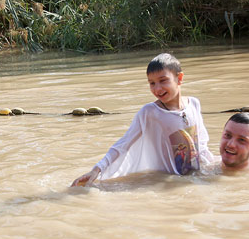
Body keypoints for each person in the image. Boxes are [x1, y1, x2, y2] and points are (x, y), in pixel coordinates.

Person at [71, 53, 215, 187]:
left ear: (180, 78)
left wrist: (213, 167)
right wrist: (97, 169)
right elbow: (123, 144)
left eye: (163, 81)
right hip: (169, 183)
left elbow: (201, 144)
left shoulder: (193, 104)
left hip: (195, 177)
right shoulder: (150, 112)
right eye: (152, 83)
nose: (157, 89)